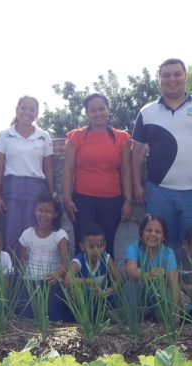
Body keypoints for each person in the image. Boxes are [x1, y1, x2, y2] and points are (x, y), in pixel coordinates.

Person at [131, 58, 192, 247]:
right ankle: (160, 278)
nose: (172, 79)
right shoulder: (147, 111)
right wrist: (137, 185)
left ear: (185, 76)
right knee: (158, 247)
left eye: (177, 74)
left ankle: (190, 278)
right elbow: (136, 152)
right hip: (158, 191)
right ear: (159, 79)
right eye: (166, 75)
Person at [62, 93, 133, 256]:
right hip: (82, 200)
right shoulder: (76, 136)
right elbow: (68, 169)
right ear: (86, 113)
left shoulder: (121, 138)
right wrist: (66, 197)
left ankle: (108, 282)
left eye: (102, 109)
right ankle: (78, 281)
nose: (98, 113)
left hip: (112, 201)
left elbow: (126, 170)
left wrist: (128, 200)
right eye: (93, 110)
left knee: (106, 246)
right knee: (82, 245)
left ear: (108, 110)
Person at [0, 96, 56, 254]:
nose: (27, 112)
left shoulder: (43, 136)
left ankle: (27, 276)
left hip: (35, 189)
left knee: (30, 233)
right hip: (11, 188)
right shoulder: (4, 135)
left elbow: (48, 169)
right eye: (23, 108)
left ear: (37, 114)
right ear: (17, 110)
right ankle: (7, 275)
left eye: (32, 109)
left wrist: (52, 194)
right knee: (9, 232)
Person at [17, 194, 71, 322]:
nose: (43, 215)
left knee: (54, 318)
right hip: (29, 282)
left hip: (50, 282)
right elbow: (21, 262)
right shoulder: (27, 233)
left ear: (55, 214)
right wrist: (20, 281)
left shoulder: (60, 235)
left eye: (48, 211)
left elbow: (66, 264)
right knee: (23, 318)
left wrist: (56, 274)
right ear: (35, 212)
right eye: (40, 210)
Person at [124, 215, 182, 315]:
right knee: (131, 285)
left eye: (158, 232)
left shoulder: (168, 253)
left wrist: (175, 313)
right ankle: (132, 316)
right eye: (148, 230)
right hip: (139, 293)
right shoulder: (134, 247)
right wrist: (147, 276)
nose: (153, 234)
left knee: (179, 300)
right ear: (141, 233)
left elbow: (173, 283)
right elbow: (130, 273)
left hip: (159, 293)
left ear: (163, 237)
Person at [66, 223, 123, 298]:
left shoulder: (106, 258)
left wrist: (106, 292)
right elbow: (66, 281)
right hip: (83, 297)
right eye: (91, 247)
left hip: (99, 294)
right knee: (73, 291)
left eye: (99, 246)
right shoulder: (78, 261)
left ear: (105, 245)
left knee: (121, 294)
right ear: (82, 247)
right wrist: (89, 281)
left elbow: (119, 279)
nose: (96, 250)